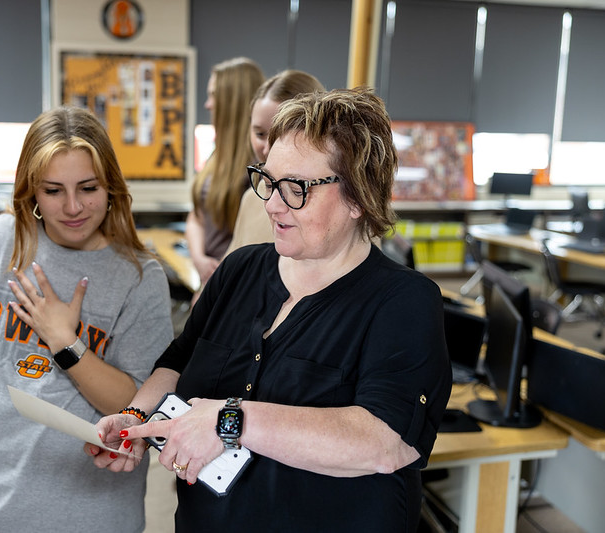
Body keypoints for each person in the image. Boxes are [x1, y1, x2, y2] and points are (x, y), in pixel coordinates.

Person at [84, 88, 452, 532]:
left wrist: (229, 420)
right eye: (269, 181)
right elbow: (179, 361)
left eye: (296, 188)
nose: (272, 204)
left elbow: (384, 441)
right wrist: (138, 419)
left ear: (359, 197)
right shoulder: (240, 269)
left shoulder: (404, 302)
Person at [0, 106, 174, 533]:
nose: (73, 207)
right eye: (53, 190)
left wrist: (66, 343)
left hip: (89, 516)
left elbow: (135, 404)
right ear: (31, 190)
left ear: (110, 186)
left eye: (88, 188)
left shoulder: (139, 278)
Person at [225, 69, 325, 254]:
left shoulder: (335, 206)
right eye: (260, 134)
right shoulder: (252, 198)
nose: (267, 149)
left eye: (280, 135)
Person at [185, 57, 264, 290]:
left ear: (232, 101)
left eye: (213, 95)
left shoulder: (257, 167)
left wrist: (217, 277)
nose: (207, 104)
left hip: (234, 284)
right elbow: (196, 216)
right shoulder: (217, 156)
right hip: (211, 280)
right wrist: (199, 259)